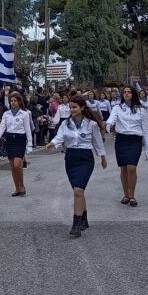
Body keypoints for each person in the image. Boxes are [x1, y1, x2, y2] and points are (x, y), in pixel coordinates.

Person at [46, 96, 107, 237]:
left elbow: (98, 142)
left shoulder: (91, 124)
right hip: (71, 158)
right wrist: (52, 143)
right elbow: (60, 137)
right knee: (78, 191)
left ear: (82, 108)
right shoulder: (65, 124)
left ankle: (76, 224)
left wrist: (102, 157)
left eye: (74, 107)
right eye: (70, 107)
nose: (71, 110)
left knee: (78, 191)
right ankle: (84, 218)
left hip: (85, 158)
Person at [105, 85, 148, 207]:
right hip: (121, 140)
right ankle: (126, 194)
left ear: (133, 94)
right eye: (124, 92)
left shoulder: (141, 109)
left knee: (131, 167)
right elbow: (111, 118)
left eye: (129, 92)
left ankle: (132, 195)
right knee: (123, 169)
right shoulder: (117, 108)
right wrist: (109, 124)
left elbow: (146, 129)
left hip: (135, 140)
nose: (126, 94)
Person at [0, 91, 34, 197]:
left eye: (15, 101)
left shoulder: (24, 114)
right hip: (10, 140)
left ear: (19, 102)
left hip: (20, 140)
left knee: (17, 165)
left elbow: (28, 129)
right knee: (13, 167)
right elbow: (2, 127)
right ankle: (17, 188)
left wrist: (29, 144)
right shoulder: (6, 114)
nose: (13, 103)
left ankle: (22, 185)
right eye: (11, 101)